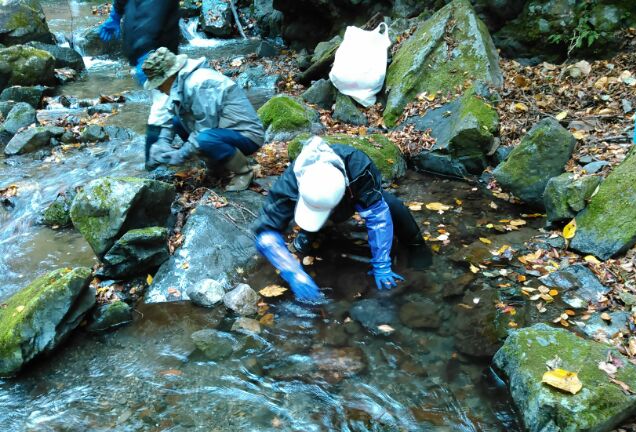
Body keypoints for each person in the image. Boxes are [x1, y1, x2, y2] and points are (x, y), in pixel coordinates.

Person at [252, 136, 431, 301]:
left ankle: (416, 245)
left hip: (352, 192)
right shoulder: (290, 183)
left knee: (393, 206)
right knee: (308, 237)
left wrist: (382, 263)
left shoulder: (360, 168)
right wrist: (291, 270)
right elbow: (265, 231)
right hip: (322, 201)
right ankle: (311, 233)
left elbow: (378, 218)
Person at [141, 47, 265, 191]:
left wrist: (181, 154)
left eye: (158, 84)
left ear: (168, 76)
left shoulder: (200, 83)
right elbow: (169, 118)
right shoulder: (179, 82)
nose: (158, 89)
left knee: (204, 139)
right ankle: (218, 166)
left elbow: (204, 128)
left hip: (247, 135)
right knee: (177, 121)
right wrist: (162, 142)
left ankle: (244, 171)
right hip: (223, 131)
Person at [98, 0, 180, 165]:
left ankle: (163, 152)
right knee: (163, 103)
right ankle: (153, 162)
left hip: (140, 43)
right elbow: (152, 12)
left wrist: (115, 16)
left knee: (169, 101)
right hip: (153, 50)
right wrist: (145, 50)